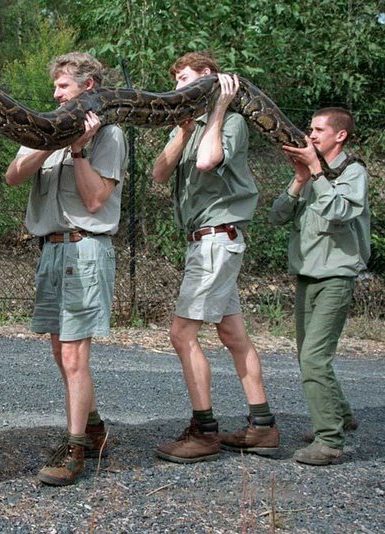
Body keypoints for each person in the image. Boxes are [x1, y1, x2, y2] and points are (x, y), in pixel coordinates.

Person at [150, 51, 279, 463]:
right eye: (174, 80)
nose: (176, 87)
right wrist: (183, 132)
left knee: (181, 334)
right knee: (233, 336)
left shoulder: (233, 122)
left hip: (216, 240)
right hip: (205, 242)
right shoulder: (189, 128)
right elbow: (158, 173)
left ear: (208, 77)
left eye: (184, 78)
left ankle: (204, 432)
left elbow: (209, 161)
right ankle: (263, 427)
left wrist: (220, 108)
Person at [5, 52, 127, 486]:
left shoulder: (109, 135)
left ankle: (75, 447)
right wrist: (50, 143)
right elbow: (13, 176)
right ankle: (93, 429)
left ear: (89, 87)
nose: (54, 94)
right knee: (61, 352)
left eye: (63, 87)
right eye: (55, 86)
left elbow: (96, 201)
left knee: (75, 355)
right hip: (52, 249)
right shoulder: (47, 128)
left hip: (86, 248)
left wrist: (77, 150)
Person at [273, 108, 369, 465]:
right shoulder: (312, 176)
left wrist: (315, 171)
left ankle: (329, 440)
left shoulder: (351, 172)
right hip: (307, 275)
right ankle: (341, 415)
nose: (309, 136)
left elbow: (341, 212)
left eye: (317, 130)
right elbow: (277, 216)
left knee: (315, 358)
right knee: (307, 356)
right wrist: (299, 180)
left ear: (339, 136)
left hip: (335, 277)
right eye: (309, 129)